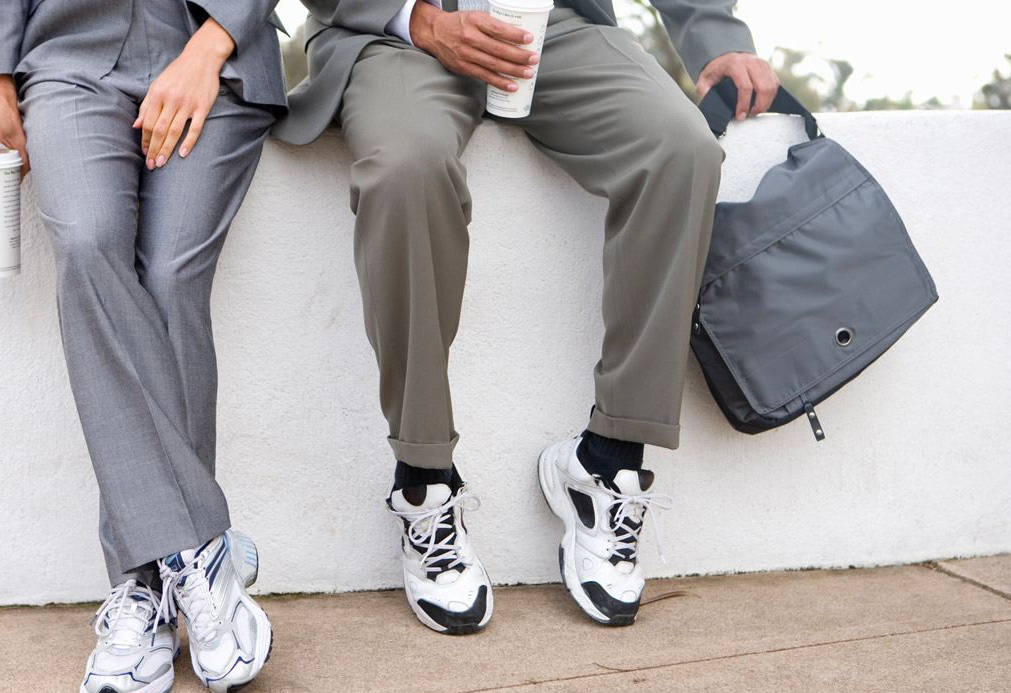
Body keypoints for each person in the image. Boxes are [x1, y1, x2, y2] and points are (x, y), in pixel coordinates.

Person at [271, 0, 778, 633]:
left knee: (682, 150)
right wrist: (423, 21)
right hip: (398, 34)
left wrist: (717, 38)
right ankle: (424, 481)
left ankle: (609, 457)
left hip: (552, 26)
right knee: (407, 168)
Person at [0, 0, 286, 693]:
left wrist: (209, 47)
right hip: (70, 58)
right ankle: (198, 557)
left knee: (168, 279)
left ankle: (142, 592)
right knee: (87, 243)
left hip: (214, 54)